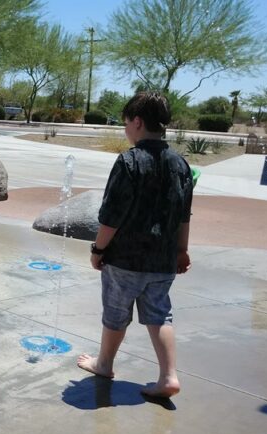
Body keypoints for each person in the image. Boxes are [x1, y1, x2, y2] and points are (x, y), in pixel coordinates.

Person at [76, 92, 193, 398]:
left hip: (125, 259)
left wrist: (98, 250)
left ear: (138, 122)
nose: (125, 129)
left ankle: (104, 363)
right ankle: (169, 376)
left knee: (115, 314)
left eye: (126, 123)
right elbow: (183, 214)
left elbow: (111, 216)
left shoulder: (129, 162)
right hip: (163, 260)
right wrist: (181, 250)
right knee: (160, 316)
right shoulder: (180, 164)